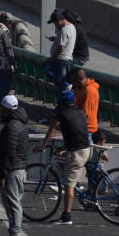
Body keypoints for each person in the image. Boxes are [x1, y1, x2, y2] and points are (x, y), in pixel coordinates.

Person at [35, 89, 91, 225]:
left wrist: (43, 146)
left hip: (76, 152)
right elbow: (77, 131)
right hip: (85, 148)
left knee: (69, 185)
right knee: (66, 164)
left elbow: (52, 129)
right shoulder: (80, 111)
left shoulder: (62, 113)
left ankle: (67, 216)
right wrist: (64, 148)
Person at [0, 94, 28, 236]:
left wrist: (1, 174)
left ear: (6, 109)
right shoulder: (19, 124)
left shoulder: (11, 127)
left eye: (1, 107)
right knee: (15, 202)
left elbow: (8, 152)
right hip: (18, 168)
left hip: (12, 170)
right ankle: (13, 235)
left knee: (13, 203)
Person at [45, 8, 76, 95]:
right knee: (60, 80)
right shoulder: (71, 27)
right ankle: (65, 85)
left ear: (58, 21)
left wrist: (54, 58)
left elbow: (61, 47)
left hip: (61, 61)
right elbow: (65, 40)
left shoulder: (64, 31)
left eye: (54, 23)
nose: (55, 25)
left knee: (59, 83)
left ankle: (66, 86)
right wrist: (55, 38)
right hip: (67, 59)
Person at [72, 68, 100, 143]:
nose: (73, 84)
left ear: (81, 78)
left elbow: (85, 113)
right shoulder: (82, 89)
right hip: (83, 129)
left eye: (74, 81)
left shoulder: (89, 91)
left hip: (87, 130)